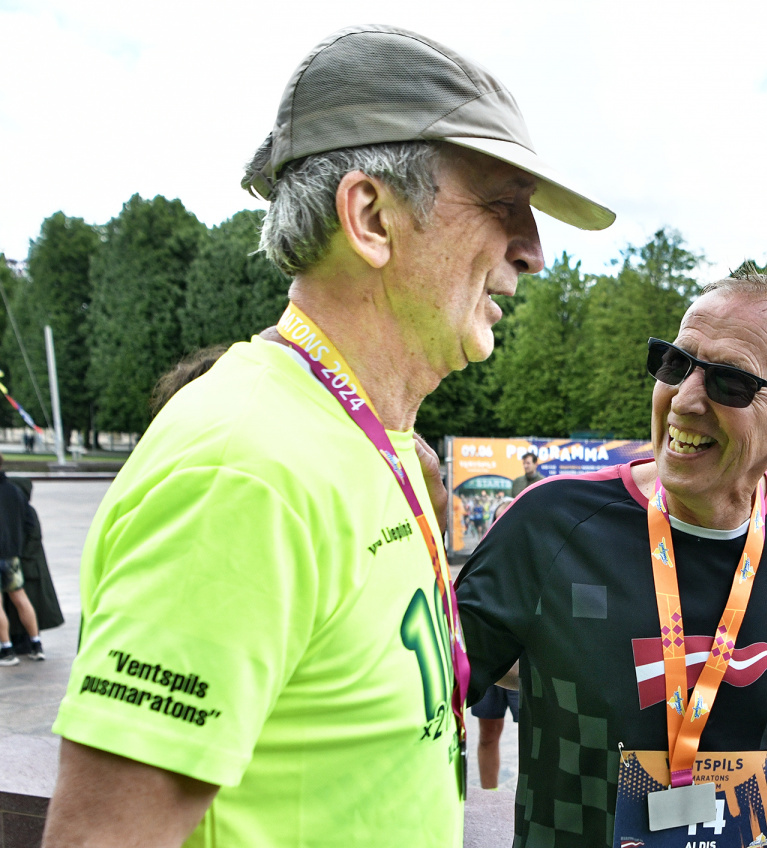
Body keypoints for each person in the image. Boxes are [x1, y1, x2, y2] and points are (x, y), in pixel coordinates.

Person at [44, 24, 612, 848]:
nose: (535, 250)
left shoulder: (368, 441)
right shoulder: (245, 471)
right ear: (372, 217)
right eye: (502, 204)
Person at [456, 268, 767, 847]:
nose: (685, 398)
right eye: (676, 364)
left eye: (731, 382)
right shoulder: (551, 523)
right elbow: (422, 700)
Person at [0, 454, 43, 665]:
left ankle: (7, 650)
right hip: (11, 556)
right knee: (20, 598)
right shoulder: (15, 491)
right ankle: (36, 645)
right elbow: (29, 523)